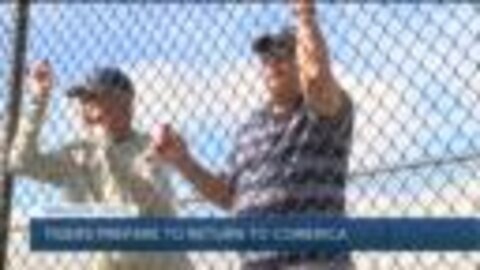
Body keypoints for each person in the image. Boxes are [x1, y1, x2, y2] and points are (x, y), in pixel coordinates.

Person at [151, 0, 355, 269]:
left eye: (283, 54)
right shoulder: (249, 128)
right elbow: (229, 196)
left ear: (301, 60)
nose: (272, 62)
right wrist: (182, 161)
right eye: (267, 58)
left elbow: (317, 78)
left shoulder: (322, 110)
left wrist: (304, 15)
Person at [9, 60, 192, 270]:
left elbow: (139, 204)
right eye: (83, 101)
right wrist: (38, 100)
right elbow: (21, 162)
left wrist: (106, 146)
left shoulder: (151, 147)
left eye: (95, 99)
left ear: (125, 104)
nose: (86, 108)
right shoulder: (79, 153)